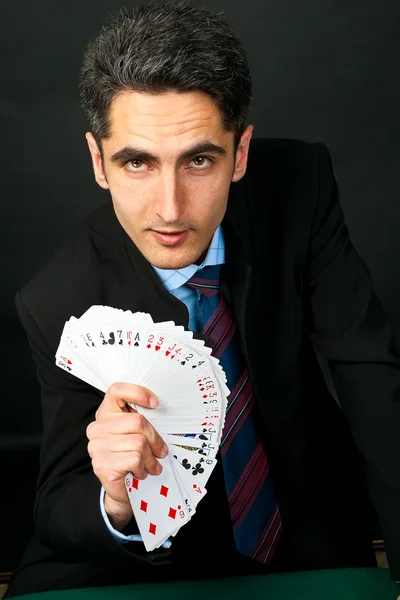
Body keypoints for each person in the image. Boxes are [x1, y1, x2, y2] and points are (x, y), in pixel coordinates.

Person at [5, 0, 400, 597]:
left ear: (239, 153)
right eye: (136, 162)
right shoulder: (57, 300)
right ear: (98, 162)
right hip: (142, 564)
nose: (170, 209)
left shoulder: (300, 187)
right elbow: (58, 503)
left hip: (305, 524)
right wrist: (114, 500)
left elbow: (373, 374)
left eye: (198, 160)